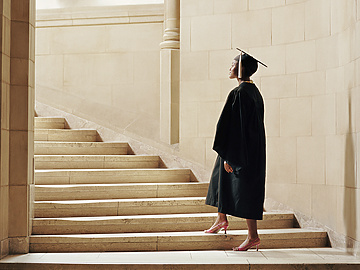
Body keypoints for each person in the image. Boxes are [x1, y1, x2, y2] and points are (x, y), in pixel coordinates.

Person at [204, 48, 267, 251]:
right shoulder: (254, 91)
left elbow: (233, 127)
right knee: (220, 179)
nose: (230, 67)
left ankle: (253, 236)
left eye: (233, 64)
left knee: (247, 190)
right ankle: (221, 218)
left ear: (240, 68)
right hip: (251, 149)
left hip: (240, 151)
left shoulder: (239, 93)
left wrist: (230, 156)